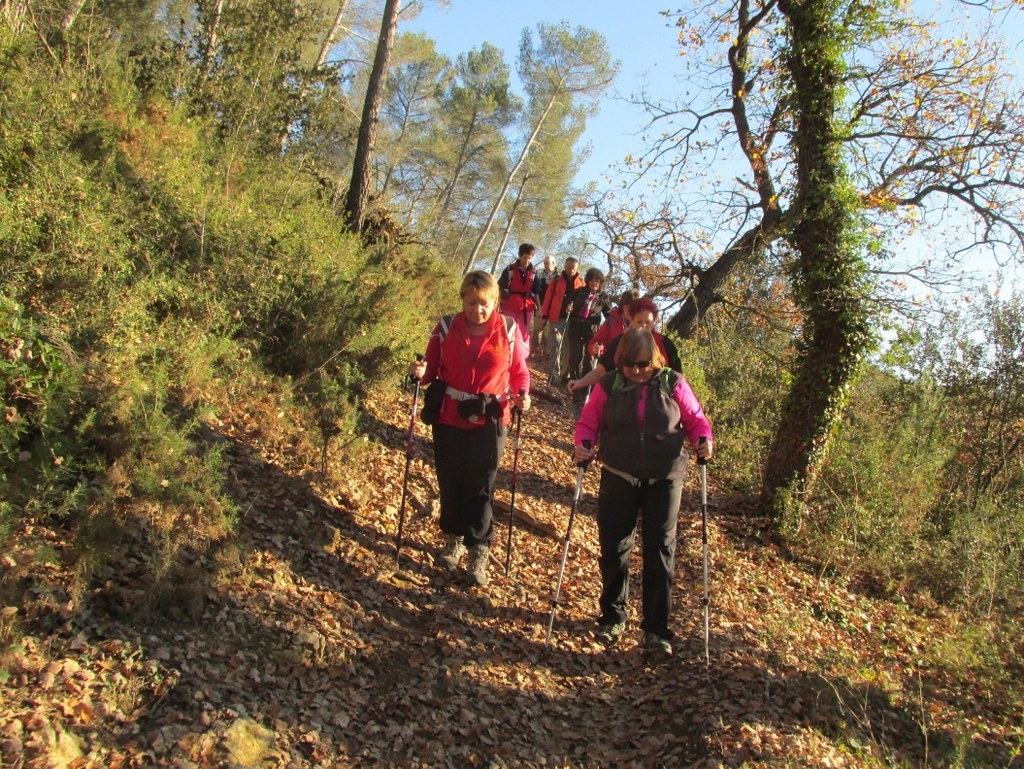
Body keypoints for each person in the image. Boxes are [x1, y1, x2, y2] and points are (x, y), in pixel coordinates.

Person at [573, 328, 713, 654]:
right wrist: (584, 445)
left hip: (665, 479)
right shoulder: (610, 384)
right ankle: (612, 617)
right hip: (618, 474)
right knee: (614, 548)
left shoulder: (672, 382)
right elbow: (588, 422)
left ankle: (656, 630)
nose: (636, 371)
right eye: (629, 364)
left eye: (643, 364)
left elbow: (695, 418)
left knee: (660, 551)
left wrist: (703, 440)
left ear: (655, 360)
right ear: (620, 362)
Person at [409, 271, 531, 587]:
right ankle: (453, 540)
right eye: (472, 301)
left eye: (484, 303)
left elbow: (520, 373)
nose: (478, 309)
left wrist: (523, 395)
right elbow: (429, 372)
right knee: (450, 480)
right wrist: (418, 373)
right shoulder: (447, 327)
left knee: (481, 484)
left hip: (491, 417)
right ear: (462, 298)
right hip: (449, 415)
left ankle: (479, 549)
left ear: (495, 302)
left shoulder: (509, 329)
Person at [568, 298, 682, 395]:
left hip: (658, 402)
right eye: (639, 321)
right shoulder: (619, 342)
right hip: (623, 401)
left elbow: (678, 380)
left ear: (654, 322)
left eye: (648, 322)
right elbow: (601, 371)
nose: (644, 326)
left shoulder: (666, 344)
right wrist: (581, 382)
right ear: (631, 321)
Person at [564, 268, 612, 409]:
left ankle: (583, 389)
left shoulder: (603, 296)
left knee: (589, 360)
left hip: (592, 331)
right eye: (592, 281)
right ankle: (573, 382)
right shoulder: (579, 292)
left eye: (597, 281)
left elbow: (609, 315)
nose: (594, 284)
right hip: (575, 327)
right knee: (574, 356)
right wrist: (568, 307)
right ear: (588, 281)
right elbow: (568, 303)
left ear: (601, 283)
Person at [538, 257, 585, 388]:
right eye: (568, 267)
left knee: (567, 348)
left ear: (577, 269)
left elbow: (583, 303)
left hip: (573, 320)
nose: (570, 270)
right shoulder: (557, 279)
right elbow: (548, 297)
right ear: (564, 266)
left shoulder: (581, 283)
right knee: (555, 345)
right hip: (556, 317)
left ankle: (565, 374)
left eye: (573, 268)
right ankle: (554, 374)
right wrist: (544, 314)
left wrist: (574, 307)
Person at [497, 243, 542, 359]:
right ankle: (506, 356)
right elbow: (500, 286)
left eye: (530, 258)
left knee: (524, 333)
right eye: (525, 257)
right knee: (509, 330)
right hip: (509, 304)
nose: (527, 260)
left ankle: (522, 358)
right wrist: (497, 303)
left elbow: (536, 291)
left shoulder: (534, 272)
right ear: (520, 256)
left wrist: (539, 308)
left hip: (527, 306)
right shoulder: (509, 269)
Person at [589, 288, 641, 357]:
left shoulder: (642, 323)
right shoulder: (612, 320)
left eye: (633, 308)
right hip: (612, 362)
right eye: (628, 308)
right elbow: (597, 341)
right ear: (622, 306)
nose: (630, 311)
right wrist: (596, 348)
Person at [531, 255, 558, 357]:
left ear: (554, 263)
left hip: (555, 309)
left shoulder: (559, 276)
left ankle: (548, 354)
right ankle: (536, 351)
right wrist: (538, 307)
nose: (546, 265)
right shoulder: (539, 274)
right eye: (545, 263)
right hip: (541, 306)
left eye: (548, 263)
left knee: (553, 333)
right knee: (537, 331)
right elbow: (536, 292)